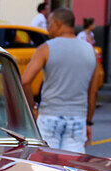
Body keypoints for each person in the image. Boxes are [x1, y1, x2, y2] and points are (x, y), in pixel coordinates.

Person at [20, 7, 99, 153]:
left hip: (49, 115)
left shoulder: (45, 49)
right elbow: (93, 92)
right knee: (72, 168)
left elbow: (24, 81)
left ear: (57, 24)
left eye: (49, 24)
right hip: (77, 117)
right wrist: (88, 122)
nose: (48, 29)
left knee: (47, 166)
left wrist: (33, 107)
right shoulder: (91, 51)